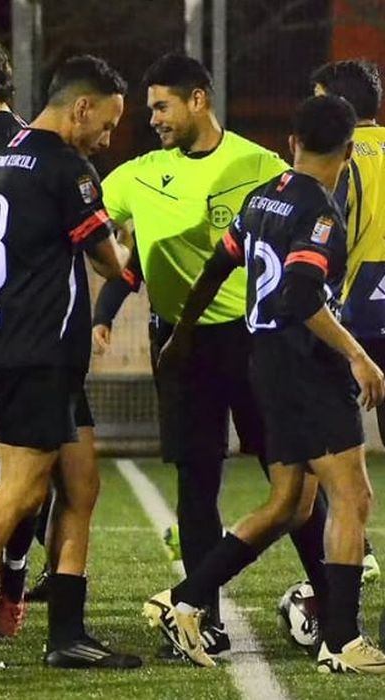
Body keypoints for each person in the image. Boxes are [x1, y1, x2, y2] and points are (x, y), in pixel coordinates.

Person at [90, 52, 336, 655]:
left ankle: (333, 604)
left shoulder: (258, 165)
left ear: (198, 99)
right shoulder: (137, 174)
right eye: (150, 109)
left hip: (254, 341)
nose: (153, 119)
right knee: (197, 481)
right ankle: (205, 620)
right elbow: (90, 223)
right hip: (181, 343)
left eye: (162, 106)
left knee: (295, 479)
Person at [146, 94, 385, 673]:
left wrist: (182, 331)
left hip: (266, 366)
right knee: (353, 497)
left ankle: (181, 600)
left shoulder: (262, 199)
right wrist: (358, 355)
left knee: (289, 503)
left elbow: (218, 263)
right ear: (348, 152)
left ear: (290, 144)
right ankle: (342, 642)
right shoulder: (322, 213)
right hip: (306, 371)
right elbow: (301, 296)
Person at [0, 54, 141, 670]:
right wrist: (138, 238)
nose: (108, 136)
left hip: (16, 348)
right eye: (108, 122)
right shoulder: (67, 169)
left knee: (81, 484)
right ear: (82, 107)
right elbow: (110, 264)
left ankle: (67, 633)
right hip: (40, 352)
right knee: (19, 491)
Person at [311, 59, 385, 585]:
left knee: (329, 462)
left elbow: (325, 240)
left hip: (348, 328)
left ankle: (350, 558)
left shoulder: (342, 161)